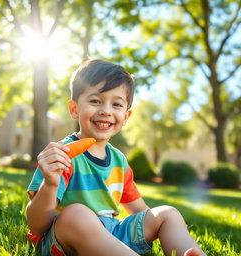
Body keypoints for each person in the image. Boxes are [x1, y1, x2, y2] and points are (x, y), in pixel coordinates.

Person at [26, 59, 207, 256]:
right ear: (74, 109)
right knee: (76, 213)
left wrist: (167, 225)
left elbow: (139, 209)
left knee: (168, 214)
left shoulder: (119, 161)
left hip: (112, 234)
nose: (106, 111)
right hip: (63, 239)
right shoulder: (62, 155)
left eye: (117, 104)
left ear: (126, 116)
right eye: (95, 101)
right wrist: (50, 184)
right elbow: (36, 226)